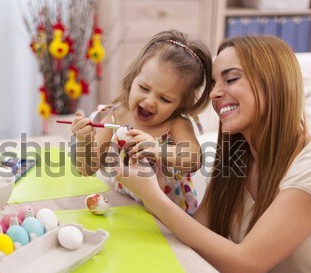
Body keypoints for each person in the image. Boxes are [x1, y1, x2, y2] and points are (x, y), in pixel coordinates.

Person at [115, 35, 311, 273]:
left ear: (274, 84)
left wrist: (151, 195)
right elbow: (196, 239)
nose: (213, 93)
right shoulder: (235, 162)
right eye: (214, 83)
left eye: (231, 79)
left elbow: (241, 269)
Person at [71, 30, 212, 215]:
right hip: (127, 210)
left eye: (165, 99)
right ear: (132, 79)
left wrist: (158, 149)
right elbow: (87, 169)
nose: (150, 101)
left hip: (170, 219)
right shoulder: (115, 118)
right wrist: (84, 142)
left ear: (181, 104)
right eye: (144, 88)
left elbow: (193, 159)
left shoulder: (176, 124)